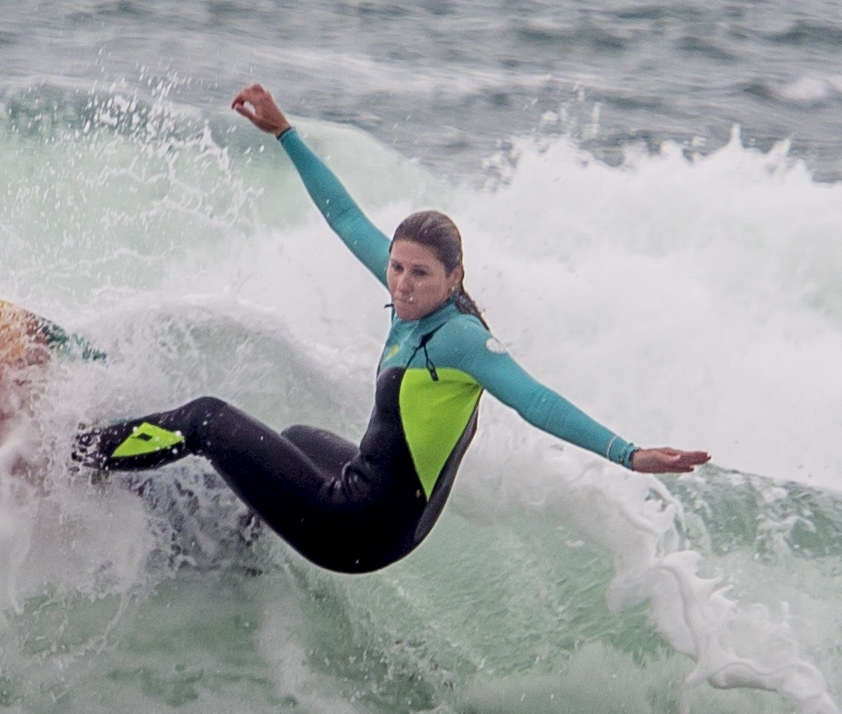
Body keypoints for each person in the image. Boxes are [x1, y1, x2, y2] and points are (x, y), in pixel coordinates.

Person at [74, 83, 709, 574]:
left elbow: (535, 399)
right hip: (382, 516)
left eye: (421, 275)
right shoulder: (413, 301)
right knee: (294, 437)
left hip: (356, 530)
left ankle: (78, 459)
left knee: (206, 418)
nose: (402, 284)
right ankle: (232, 557)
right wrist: (285, 132)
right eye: (397, 269)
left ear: (455, 278)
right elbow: (346, 216)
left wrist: (630, 454)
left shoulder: (460, 341)